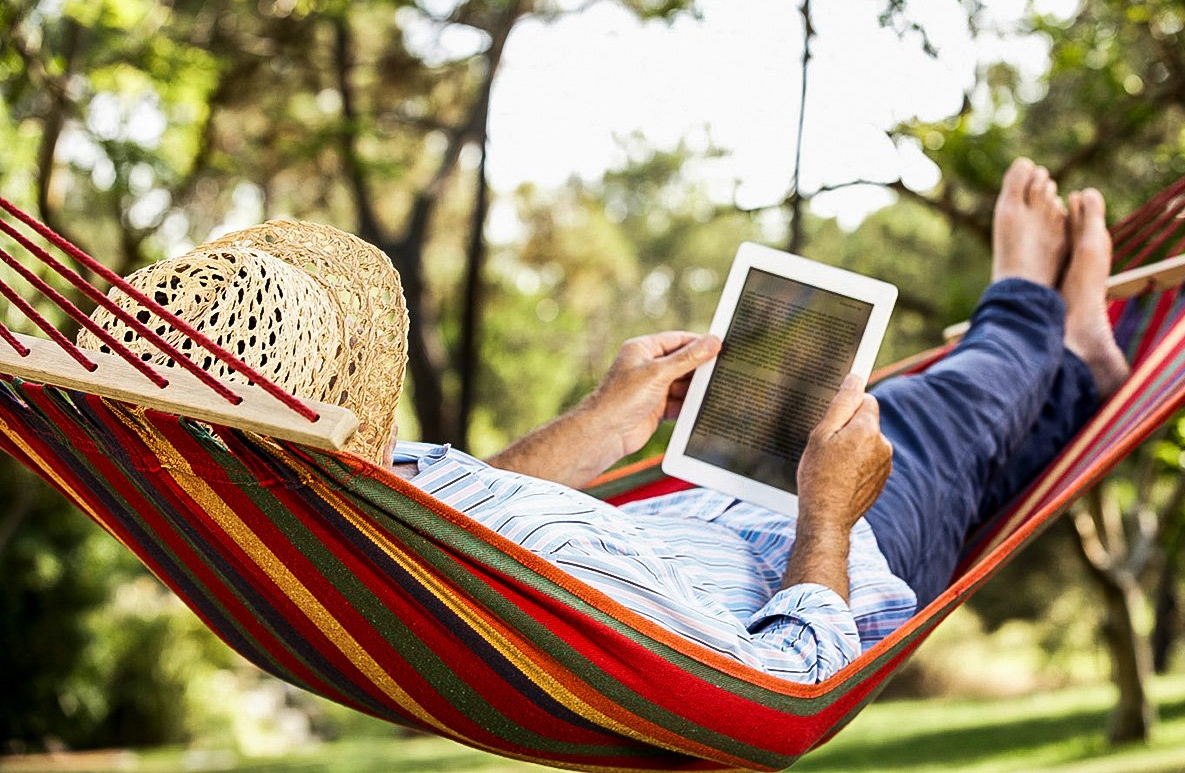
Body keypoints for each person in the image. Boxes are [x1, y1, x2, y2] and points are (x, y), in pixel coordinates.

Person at [83, 158, 1128, 684]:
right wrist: (825, 511)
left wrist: (602, 422)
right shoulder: (355, 532)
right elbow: (789, 682)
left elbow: (476, 522)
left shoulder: (345, 517)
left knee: (957, 440)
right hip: (836, 554)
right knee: (932, 410)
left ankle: (1079, 365)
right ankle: (1031, 306)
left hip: (714, 504)